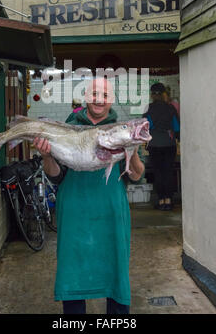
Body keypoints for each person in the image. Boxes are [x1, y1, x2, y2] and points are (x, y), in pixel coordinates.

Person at [33, 77, 145, 314]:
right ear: (86, 97)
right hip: (75, 211)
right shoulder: (69, 126)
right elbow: (55, 176)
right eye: (94, 94)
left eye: (104, 95)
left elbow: (136, 176)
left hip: (111, 211)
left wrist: (131, 149)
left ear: (111, 100)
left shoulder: (122, 129)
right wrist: (46, 156)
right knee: (73, 272)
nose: (99, 100)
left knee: (115, 270)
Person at [143, 82, 180, 211]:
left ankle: (161, 200)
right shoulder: (171, 108)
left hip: (154, 145)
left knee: (158, 173)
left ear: (152, 95)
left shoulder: (149, 109)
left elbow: (146, 127)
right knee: (168, 172)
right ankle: (169, 201)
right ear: (164, 93)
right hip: (169, 145)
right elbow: (176, 128)